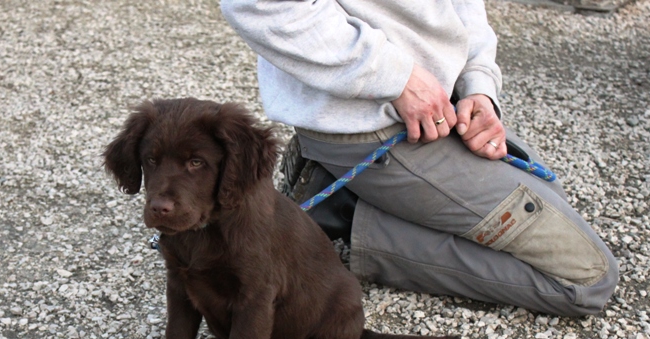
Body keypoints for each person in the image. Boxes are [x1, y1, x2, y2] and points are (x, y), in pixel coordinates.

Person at [219, 0, 618, 316]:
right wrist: (397, 78)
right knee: (586, 280)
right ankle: (346, 212)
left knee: (553, 202)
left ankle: (352, 194)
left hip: (442, 106)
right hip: (370, 129)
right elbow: (258, 5)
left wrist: (478, 84)